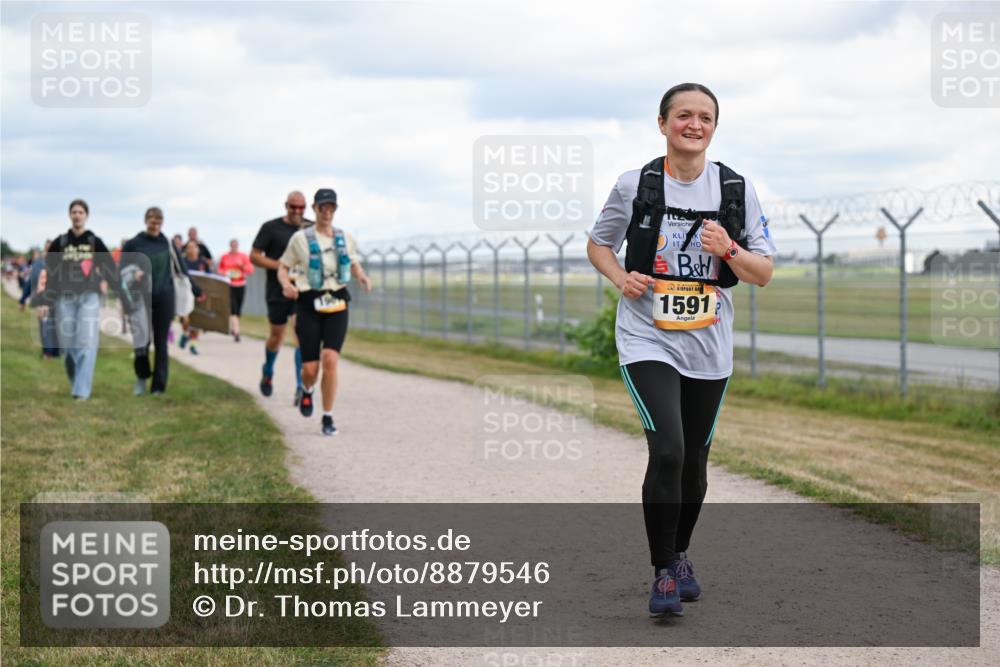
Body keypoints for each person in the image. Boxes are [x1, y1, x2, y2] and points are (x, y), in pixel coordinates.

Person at [587, 83, 776, 617]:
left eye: (705, 117)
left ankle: (682, 552)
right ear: (663, 122)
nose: (694, 125)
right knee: (667, 449)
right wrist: (621, 277)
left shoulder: (736, 189)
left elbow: (762, 272)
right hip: (646, 335)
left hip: (708, 344)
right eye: (684, 116)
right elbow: (598, 244)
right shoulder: (636, 184)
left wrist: (729, 248)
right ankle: (663, 571)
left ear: (714, 127)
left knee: (695, 461)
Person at [277, 188, 371, 435]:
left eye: (331, 208)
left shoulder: (344, 237)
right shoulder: (300, 240)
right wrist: (286, 284)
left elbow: (352, 261)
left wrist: (361, 276)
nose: (327, 212)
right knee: (310, 369)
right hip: (309, 303)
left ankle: (327, 417)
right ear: (315, 209)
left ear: (335, 210)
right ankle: (307, 390)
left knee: (330, 359)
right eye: (322, 207)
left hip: (337, 302)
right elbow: (283, 267)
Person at [37, 199, 130, 399]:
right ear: (70, 215)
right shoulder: (59, 243)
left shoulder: (95, 242)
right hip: (64, 299)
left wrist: (123, 297)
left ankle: (81, 392)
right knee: (69, 347)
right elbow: (51, 276)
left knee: (86, 342)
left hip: (89, 297)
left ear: (86, 216)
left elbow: (110, 271)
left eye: (81, 212)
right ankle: (77, 382)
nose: (77, 215)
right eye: (74, 212)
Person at [121, 207, 204, 395]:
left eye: (159, 221)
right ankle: (142, 378)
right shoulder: (134, 244)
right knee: (141, 341)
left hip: (164, 296)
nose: (155, 224)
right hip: (140, 298)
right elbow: (121, 270)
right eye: (152, 221)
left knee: (161, 342)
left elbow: (182, 269)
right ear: (145, 220)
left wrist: (197, 289)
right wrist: (134, 274)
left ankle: (158, 386)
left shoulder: (167, 243)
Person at [251, 191, 312, 404]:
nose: (297, 211)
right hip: (277, 290)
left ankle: (299, 386)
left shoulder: (310, 229)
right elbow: (255, 256)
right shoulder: (271, 228)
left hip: (301, 291)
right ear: (286, 205)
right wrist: (281, 267)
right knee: (277, 336)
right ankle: (267, 370)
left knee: (300, 334)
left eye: (301, 207)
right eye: (293, 207)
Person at [217, 238, 254, 342]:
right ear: (230, 246)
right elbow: (220, 269)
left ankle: (233, 327)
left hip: (241, 284)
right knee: (233, 308)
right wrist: (224, 273)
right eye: (232, 245)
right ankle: (237, 333)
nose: (234, 246)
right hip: (229, 284)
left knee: (238, 309)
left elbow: (250, 269)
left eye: (235, 245)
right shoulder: (225, 257)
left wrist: (242, 266)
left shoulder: (243, 256)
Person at [179, 240, 212, 355]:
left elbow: (209, 279)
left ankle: (193, 345)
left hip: (199, 295)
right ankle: (185, 334)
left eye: (193, 247)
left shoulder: (203, 262)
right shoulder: (182, 262)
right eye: (189, 247)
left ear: (198, 249)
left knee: (197, 322)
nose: (191, 249)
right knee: (185, 318)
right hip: (185, 295)